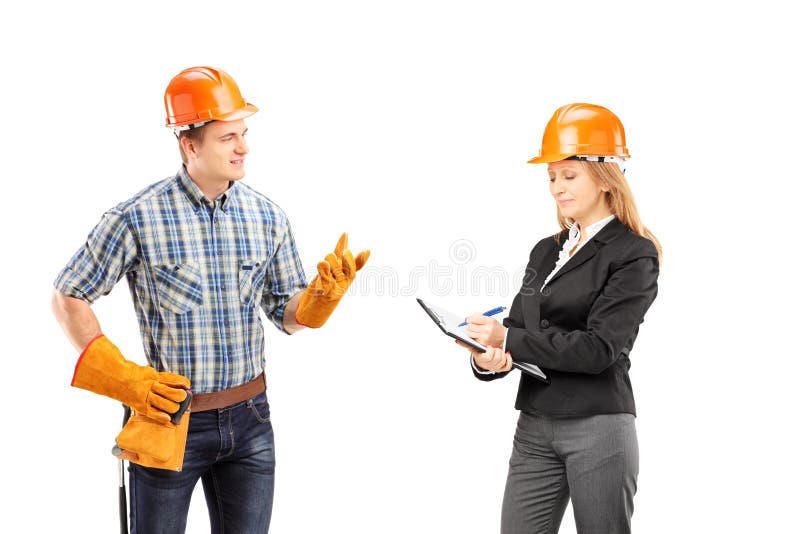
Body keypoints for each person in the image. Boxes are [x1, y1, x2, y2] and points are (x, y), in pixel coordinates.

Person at [51, 66, 369, 534]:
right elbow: (69, 294)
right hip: (169, 422)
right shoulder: (137, 217)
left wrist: (319, 300)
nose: (243, 147)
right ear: (190, 145)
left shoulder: (266, 217)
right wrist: (121, 378)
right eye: (227, 138)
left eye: (243, 134)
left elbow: (286, 312)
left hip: (251, 420)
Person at [458, 103, 661, 534]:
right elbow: (518, 328)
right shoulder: (546, 250)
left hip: (598, 427)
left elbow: (599, 350)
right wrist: (488, 355)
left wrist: (509, 340)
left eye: (569, 175)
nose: (556, 187)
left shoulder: (633, 253)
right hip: (534, 425)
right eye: (551, 177)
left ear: (606, 177)